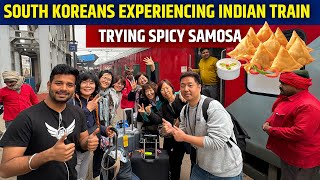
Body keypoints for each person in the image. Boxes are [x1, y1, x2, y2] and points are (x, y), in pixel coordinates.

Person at [0, 64, 99, 180]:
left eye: (70, 85)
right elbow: (5, 170)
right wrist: (47, 155)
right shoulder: (26, 118)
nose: (64, 88)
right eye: (58, 83)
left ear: (74, 88)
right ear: (48, 85)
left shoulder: (77, 112)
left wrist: (88, 142)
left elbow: (82, 140)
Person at [162, 71, 243, 180]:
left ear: (199, 87)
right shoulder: (185, 110)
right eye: (182, 86)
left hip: (225, 171)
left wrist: (184, 137)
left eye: (190, 85)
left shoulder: (212, 107)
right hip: (201, 167)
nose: (186, 89)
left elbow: (217, 142)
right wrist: (172, 130)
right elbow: (183, 131)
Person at [262, 70, 320, 180]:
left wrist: (270, 130)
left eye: (284, 83)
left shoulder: (308, 105)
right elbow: (279, 113)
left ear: (296, 85)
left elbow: (300, 132)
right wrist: (269, 121)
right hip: (290, 154)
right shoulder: (290, 99)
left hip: (301, 160)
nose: (280, 86)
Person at [69, 72, 114, 180]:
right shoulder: (72, 102)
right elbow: (71, 123)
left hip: (87, 147)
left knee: (82, 177)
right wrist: (87, 109)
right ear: (78, 85)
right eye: (84, 82)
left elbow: (94, 124)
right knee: (74, 175)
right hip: (75, 149)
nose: (88, 85)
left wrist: (105, 130)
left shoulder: (92, 101)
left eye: (91, 83)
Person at [148, 79, 187, 180]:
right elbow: (158, 119)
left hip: (181, 137)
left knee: (176, 163)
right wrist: (149, 112)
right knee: (169, 161)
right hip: (169, 138)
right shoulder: (164, 106)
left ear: (172, 88)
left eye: (167, 88)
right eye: (162, 90)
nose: (165, 91)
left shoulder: (182, 99)